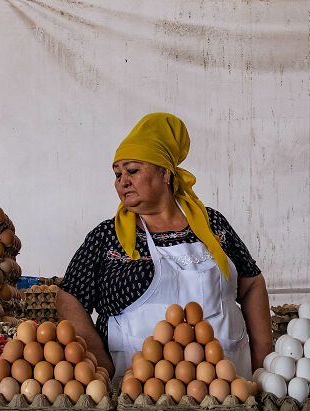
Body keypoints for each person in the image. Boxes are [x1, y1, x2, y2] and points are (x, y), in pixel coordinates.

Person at [57, 113, 271, 382]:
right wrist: (99, 359)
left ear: (165, 173)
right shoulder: (107, 235)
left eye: (133, 170)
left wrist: (264, 360)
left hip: (226, 383)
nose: (123, 181)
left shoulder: (211, 224)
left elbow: (251, 284)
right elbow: (69, 297)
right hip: (136, 388)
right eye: (117, 174)